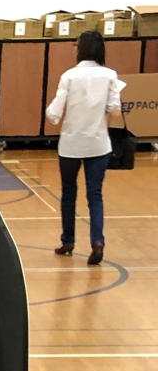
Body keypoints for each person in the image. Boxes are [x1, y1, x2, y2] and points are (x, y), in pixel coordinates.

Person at [46, 30, 124, 266]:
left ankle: (68, 241)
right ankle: (97, 241)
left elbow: (54, 114)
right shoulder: (111, 75)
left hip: (71, 143)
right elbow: (115, 110)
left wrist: (53, 115)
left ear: (80, 49)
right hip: (99, 143)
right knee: (95, 195)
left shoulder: (69, 76)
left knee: (69, 193)